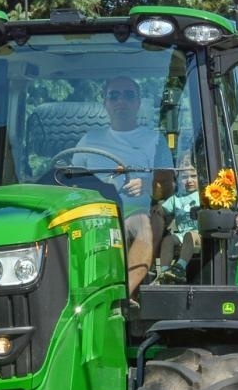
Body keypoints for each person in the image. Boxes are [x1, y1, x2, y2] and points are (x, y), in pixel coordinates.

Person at [71, 76, 173, 293]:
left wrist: (147, 185)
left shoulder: (154, 140)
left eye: (128, 95)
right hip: (95, 216)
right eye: (114, 96)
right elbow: (72, 183)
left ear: (138, 102)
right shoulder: (89, 140)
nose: (121, 101)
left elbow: (168, 186)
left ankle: (122, 296)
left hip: (133, 213)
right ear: (105, 104)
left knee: (145, 223)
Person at [157, 170, 202, 282]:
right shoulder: (176, 198)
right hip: (181, 234)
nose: (189, 180)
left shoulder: (202, 195)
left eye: (193, 176)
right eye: (184, 177)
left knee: (189, 236)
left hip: (199, 234)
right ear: (178, 180)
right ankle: (165, 272)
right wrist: (156, 208)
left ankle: (179, 267)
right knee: (168, 240)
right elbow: (162, 211)